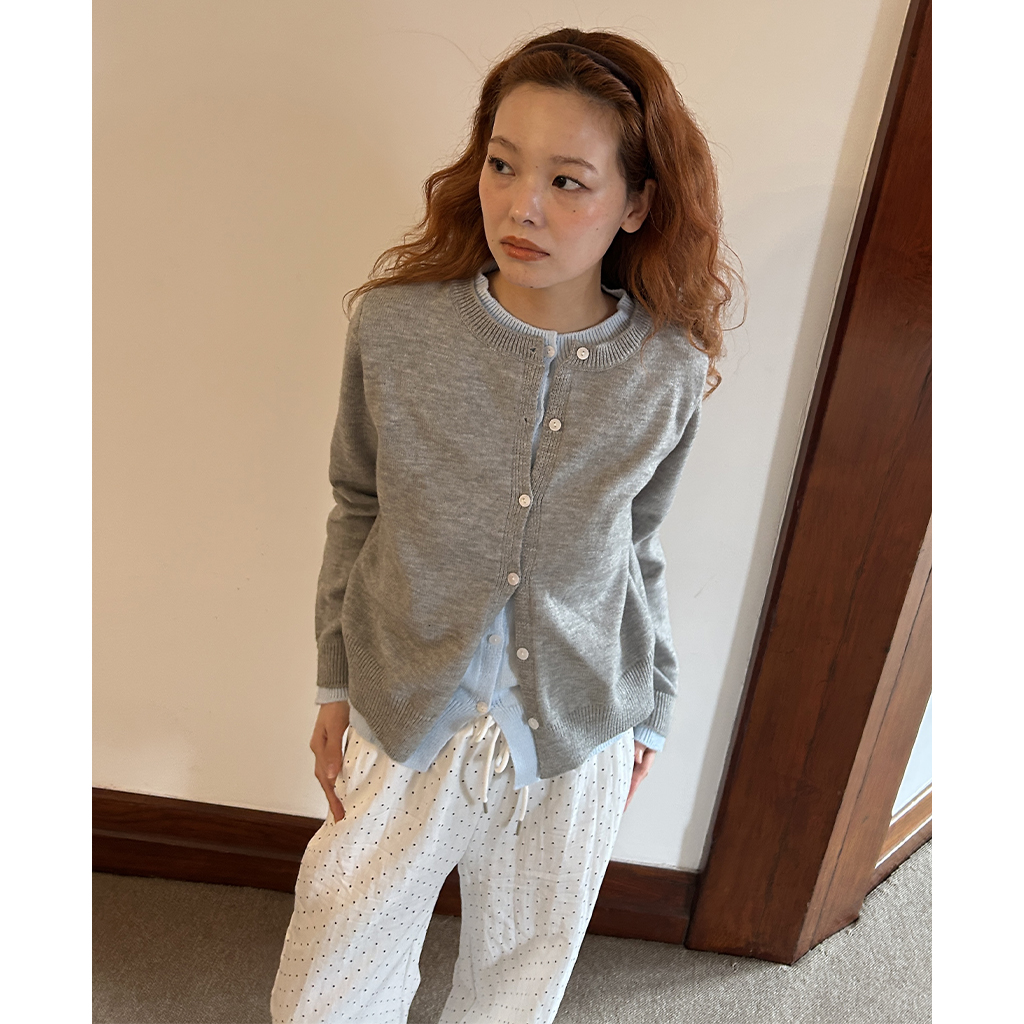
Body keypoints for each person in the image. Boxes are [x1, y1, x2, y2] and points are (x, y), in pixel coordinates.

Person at [271, 26, 739, 1024]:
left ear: (636, 203)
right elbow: (358, 503)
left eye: (569, 181)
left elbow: (635, 545)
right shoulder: (396, 328)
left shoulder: (668, 369)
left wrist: (652, 705)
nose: (521, 206)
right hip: (405, 702)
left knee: (516, 990)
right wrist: (333, 680)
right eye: (502, 164)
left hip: (578, 724)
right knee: (332, 973)